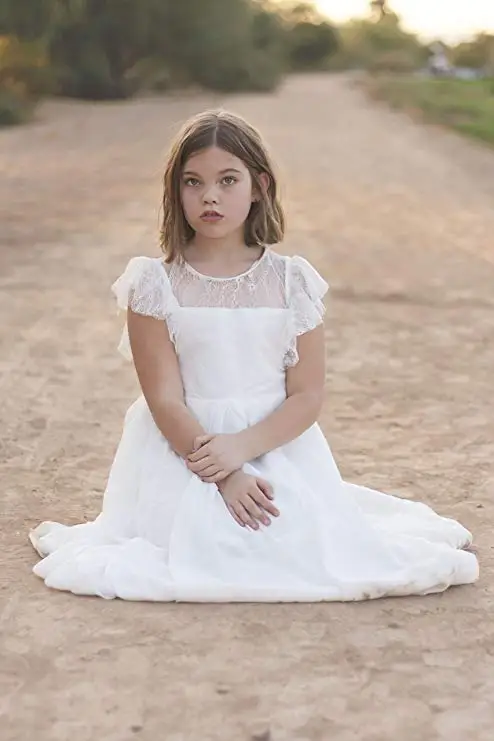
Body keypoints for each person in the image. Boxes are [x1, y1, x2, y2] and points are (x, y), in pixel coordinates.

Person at [29, 110, 479, 602]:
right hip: (184, 448)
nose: (210, 197)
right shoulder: (153, 284)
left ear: (259, 185)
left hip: (274, 443)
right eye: (193, 182)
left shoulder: (292, 280)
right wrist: (224, 470)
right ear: (175, 192)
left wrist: (243, 449)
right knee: (208, 546)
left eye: (228, 180)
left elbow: (307, 395)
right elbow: (163, 399)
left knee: (298, 545)